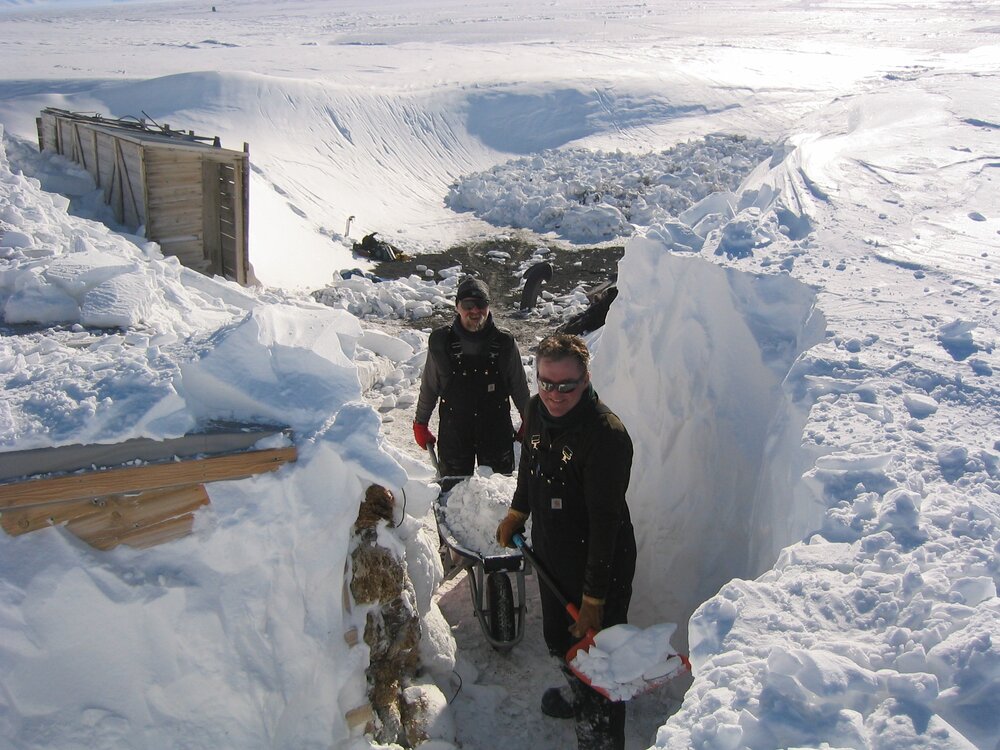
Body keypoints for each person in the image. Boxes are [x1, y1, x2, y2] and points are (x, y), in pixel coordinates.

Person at [495, 333, 636, 750]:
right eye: (546, 382)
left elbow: (605, 523)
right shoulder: (536, 409)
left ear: (586, 378)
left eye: (566, 385)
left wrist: (595, 598)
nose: (555, 394)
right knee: (559, 639)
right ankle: (577, 693)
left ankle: (600, 735)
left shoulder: (606, 436)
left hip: (599, 562)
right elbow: (530, 467)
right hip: (553, 550)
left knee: (599, 659)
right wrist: (519, 510)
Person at [413, 276, 530, 477]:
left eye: (481, 304)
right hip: (455, 429)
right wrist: (420, 423)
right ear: (457, 306)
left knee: (496, 494)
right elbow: (430, 386)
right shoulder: (441, 343)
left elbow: (519, 386)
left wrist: (529, 418)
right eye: (468, 304)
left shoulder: (505, 343)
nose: (475, 310)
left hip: (495, 428)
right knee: (452, 493)